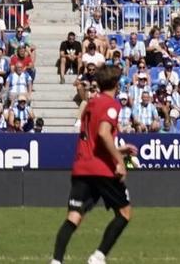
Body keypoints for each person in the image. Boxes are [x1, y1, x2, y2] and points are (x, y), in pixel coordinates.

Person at [52, 63, 135, 264]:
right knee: (124, 213)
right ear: (116, 83)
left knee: (74, 216)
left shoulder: (91, 103)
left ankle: (56, 261)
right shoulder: (112, 104)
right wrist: (119, 161)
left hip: (82, 167)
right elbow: (103, 133)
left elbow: (91, 135)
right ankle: (98, 257)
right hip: (102, 169)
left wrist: (119, 149)